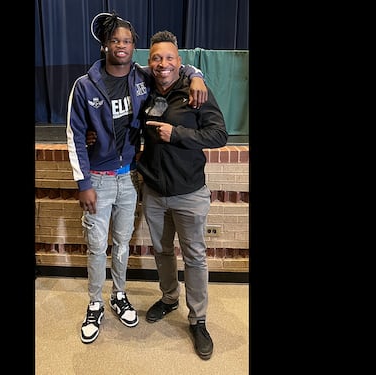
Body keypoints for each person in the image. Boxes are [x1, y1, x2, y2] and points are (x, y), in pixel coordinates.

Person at [66, 12, 208, 344]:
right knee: (98, 246)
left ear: (134, 46)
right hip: (98, 181)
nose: (122, 45)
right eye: (115, 40)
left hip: (129, 178)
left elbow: (171, 69)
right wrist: (83, 183)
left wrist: (197, 74)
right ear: (104, 45)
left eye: (127, 41)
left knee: (121, 247)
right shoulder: (84, 85)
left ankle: (118, 294)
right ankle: (95, 303)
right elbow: (74, 136)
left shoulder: (141, 77)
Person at [138, 30, 228, 360]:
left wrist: (177, 133)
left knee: (194, 257)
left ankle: (198, 319)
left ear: (179, 61)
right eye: (157, 58)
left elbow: (219, 134)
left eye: (170, 58)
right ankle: (169, 297)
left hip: (189, 192)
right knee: (162, 251)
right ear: (149, 63)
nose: (163, 64)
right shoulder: (144, 87)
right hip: (154, 191)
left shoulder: (195, 92)